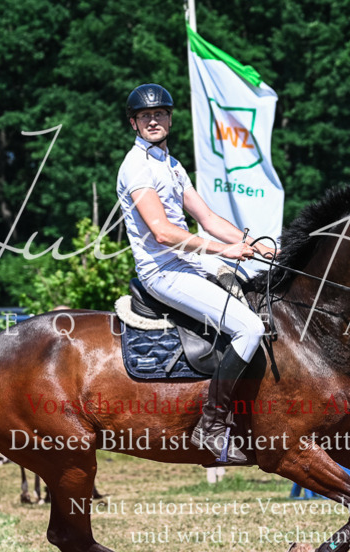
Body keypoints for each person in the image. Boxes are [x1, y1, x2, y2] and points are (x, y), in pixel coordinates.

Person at [116, 83, 275, 466]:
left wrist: (254, 243)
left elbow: (207, 218)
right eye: (145, 116)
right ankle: (213, 424)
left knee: (261, 299)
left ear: (170, 119)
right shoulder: (136, 166)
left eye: (160, 114)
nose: (153, 120)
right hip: (163, 271)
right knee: (249, 328)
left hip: (190, 263)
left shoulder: (171, 164)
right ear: (134, 123)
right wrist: (226, 250)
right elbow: (163, 232)